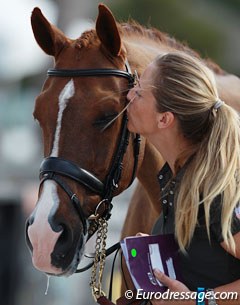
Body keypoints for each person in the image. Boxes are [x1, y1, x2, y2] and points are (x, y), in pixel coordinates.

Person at [126, 52, 240, 305]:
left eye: (139, 92)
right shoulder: (177, 176)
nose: (128, 96)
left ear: (164, 119)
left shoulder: (215, 189)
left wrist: (199, 301)